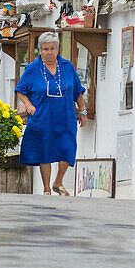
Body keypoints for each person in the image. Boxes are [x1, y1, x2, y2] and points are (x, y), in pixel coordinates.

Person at [16, 31, 88, 195]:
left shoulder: (67, 66)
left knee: (67, 148)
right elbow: (21, 90)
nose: (49, 52)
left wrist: (82, 111)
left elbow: (77, 91)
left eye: (52, 48)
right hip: (43, 117)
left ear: (58, 49)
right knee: (45, 151)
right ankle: (47, 188)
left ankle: (58, 182)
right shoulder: (32, 69)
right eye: (45, 49)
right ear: (40, 50)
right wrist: (28, 105)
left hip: (66, 116)